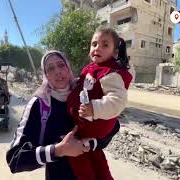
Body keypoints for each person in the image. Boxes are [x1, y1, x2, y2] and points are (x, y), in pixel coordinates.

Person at [6, 51, 120, 180]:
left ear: (68, 68)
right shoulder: (40, 104)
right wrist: (58, 150)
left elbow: (113, 125)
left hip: (94, 172)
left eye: (61, 65)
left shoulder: (86, 93)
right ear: (46, 75)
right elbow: (15, 159)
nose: (57, 71)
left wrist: (91, 143)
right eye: (50, 68)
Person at [66, 26, 133, 180]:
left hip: (91, 126)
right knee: (98, 161)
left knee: (79, 161)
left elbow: (118, 100)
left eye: (105, 45)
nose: (97, 48)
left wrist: (94, 108)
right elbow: (86, 85)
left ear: (115, 52)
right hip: (88, 129)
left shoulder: (110, 73)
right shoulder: (92, 68)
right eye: (94, 44)